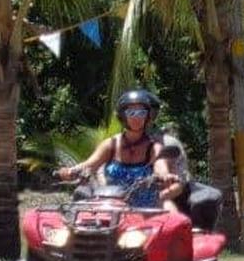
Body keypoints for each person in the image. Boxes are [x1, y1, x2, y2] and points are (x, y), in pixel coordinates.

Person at [57, 89, 186, 211]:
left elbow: (160, 166)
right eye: (131, 113)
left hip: (148, 210)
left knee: (173, 220)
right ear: (123, 116)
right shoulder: (110, 144)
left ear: (149, 116)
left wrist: (165, 176)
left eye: (142, 113)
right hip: (113, 207)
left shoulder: (154, 146)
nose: (136, 117)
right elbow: (89, 165)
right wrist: (71, 172)